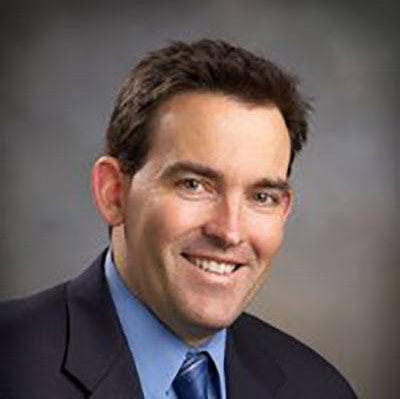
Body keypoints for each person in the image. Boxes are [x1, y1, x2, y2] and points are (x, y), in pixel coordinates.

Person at [0, 39, 357, 398]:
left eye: (261, 197)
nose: (230, 232)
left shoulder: (319, 389)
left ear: (283, 210)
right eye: (194, 185)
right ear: (114, 193)